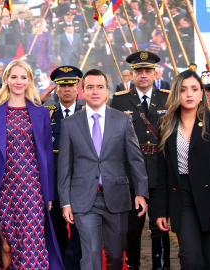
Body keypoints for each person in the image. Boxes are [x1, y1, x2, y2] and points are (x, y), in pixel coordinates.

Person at [0, 60, 64, 270]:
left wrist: (49, 196)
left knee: (32, 244)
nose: (18, 81)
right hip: (2, 187)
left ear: (29, 81)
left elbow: (46, 156)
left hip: (32, 189)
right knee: (7, 246)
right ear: (6, 80)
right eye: (14, 77)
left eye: (23, 77)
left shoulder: (40, 112)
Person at [58, 68, 149, 270]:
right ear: (83, 91)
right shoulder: (69, 124)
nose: (95, 91)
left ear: (107, 91)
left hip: (116, 197)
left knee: (116, 256)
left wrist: (141, 192)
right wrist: (65, 202)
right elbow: (64, 166)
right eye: (90, 87)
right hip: (83, 199)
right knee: (90, 255)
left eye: (100, 87)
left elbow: (135, 160)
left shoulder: (123, 120)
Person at [156, 69, 210, 269]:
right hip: (182, 198)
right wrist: (160, 211)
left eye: (194, 89)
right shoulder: (166, 125)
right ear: (176, 94)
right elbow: (163, 173)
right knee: (190, 260)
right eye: (183, 90)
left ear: (201, 94)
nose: (189, 94)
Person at [110, 51, 171, 270]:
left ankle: (162, 267)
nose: (143, 75)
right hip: (131, 176)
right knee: (131, 229)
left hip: (160, 171)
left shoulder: (168, 97)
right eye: (138, 71)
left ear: (156, 73)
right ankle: (133, 265)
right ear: (132, 74)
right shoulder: (120, 100)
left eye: (147, 71)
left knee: (160, 225)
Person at [47, 66, 84, 270]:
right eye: (62, 85)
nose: (67, 89)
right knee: (56, 230)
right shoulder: (46, 114)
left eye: (71, 85)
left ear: (78, 88)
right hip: (54, 184)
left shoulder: (87, 113)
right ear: (56, 89)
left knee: (79, 231)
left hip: (80, 183)